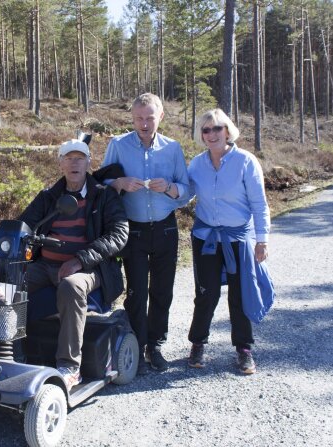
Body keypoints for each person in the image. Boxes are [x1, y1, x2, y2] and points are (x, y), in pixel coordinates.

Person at [19, 139, 129, 390]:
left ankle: (69, 366)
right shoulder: (48, 197)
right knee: (9, 280)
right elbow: (25, 224)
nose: (74, 163)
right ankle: (10, 350)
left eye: (80, 158)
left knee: (70, 287)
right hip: (45, 265)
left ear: (89, 163)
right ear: (60, 164)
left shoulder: (104, 195)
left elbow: (119, 234)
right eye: (68, 158)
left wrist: (80, 260)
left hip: (91, 269)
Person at [101, 93, 190, 373]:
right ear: (132, 117)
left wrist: (168, 188)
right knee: (137, 292)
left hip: (165, 227)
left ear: (160, 117)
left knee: (162, 291)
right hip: (134, 230)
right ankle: (137, 347)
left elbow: (186, 191)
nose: (144, 123)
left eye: (149, 117)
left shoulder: (172, 148)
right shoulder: (118, 145)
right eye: (139, 118)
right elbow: (100, 182)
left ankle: (156, 345)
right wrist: (120, 182)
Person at [185, 108, 274, 375]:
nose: (211, 134)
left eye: (217, 128)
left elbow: (259, 204)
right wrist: (168, 189)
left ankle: (244, 350)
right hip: (206, 238)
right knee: (206, 294)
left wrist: (262, 240)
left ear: (227, 131)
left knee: (240, 294)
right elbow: (186, 194)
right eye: (206, 130)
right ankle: (198, 343)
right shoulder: (196, 164)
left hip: (238, 238)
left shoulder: (246, 161)